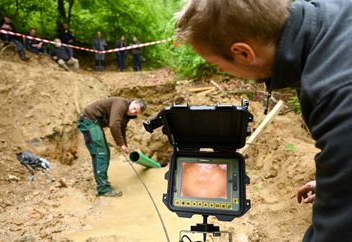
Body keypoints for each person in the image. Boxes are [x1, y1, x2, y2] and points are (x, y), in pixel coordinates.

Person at [175, 0, 352, 242]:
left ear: (243, 53)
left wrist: (342, 186)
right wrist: (338, 181)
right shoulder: (330, 20)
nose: (224, 72)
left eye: (219, 65)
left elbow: (336, 233)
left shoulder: (337, 94)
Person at [77, 97, 147, 197]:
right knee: (101, 153)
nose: (133, 112)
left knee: (105, 153)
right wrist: (121, 144)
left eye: (136, 112)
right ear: (132, 102)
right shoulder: (121, 104)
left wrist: (124, 145)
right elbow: (114, 124)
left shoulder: (126, 114)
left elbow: (122, 128)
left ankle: (103, 185)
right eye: (134, 108)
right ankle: (103, 189)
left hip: (94, 123)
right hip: (89, 121)